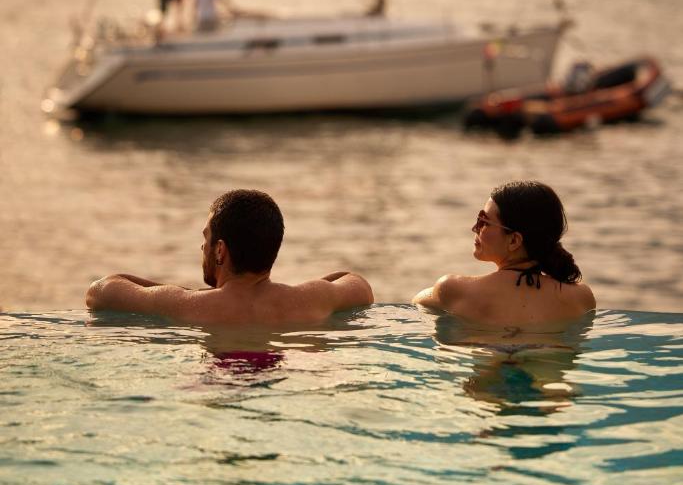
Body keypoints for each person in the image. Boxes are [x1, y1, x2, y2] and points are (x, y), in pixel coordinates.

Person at [86, 189, 373, 327]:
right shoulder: (314, 298)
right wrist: (300, 291)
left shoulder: (183, 303)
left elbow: (101, 291)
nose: (202, 249)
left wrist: (186, 293)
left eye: (206, 239)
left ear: (220, 250)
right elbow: (359, 285)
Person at [414, 181, 595, 328]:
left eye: (483, 221)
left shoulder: (454, 290)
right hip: (545, 370)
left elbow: (416, 303)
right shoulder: (581, 298)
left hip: (491, 370)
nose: (475, 228)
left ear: (514, 241)